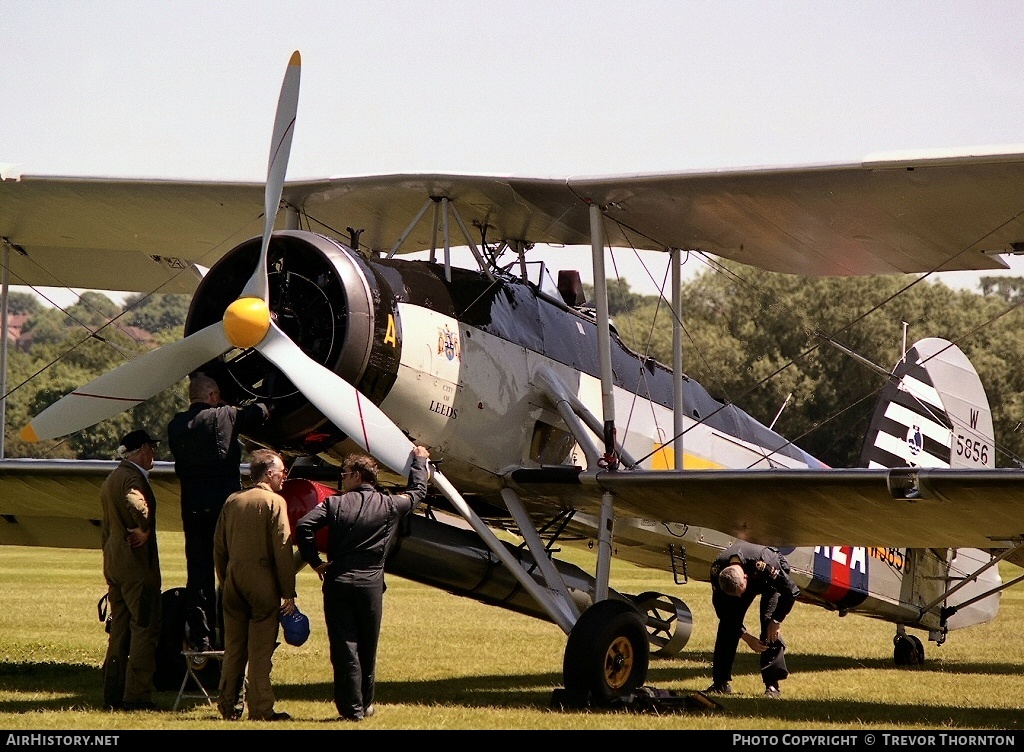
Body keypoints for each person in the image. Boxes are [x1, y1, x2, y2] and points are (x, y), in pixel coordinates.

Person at [295, 445, 430, 721]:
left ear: (357, 476)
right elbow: (418, 492)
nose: (343, 478)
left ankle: (351, 710)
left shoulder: (334, 503)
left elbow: (304, 526)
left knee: (345, 647)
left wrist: (314, 561)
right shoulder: (391, 505)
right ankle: (366, 704)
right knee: (368, 646)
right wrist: (420, 461)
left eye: (345, 474)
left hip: (339, 582)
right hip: (371, 585)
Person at [167, 372, 270, 652]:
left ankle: (200, 638)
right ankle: (235, 630)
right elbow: (259, 412)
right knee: (234, 567)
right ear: (213, 397)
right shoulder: (223, 415)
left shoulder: (174, 425)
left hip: (192, 507)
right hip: (224, 507)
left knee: (198, 569)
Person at [213, 448, 297, 722]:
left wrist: (226, 579)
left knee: (234, 646)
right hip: (261, 579)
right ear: (269, 473)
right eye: (283, 472)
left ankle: (227, 705)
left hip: (232, 578)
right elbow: (283, 548)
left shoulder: (232, 501)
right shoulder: (274, 502)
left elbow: (218, 547)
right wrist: (288, 591)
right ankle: (260, 708)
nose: (285, 477)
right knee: (260, 649)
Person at [99, 429, 163, 711]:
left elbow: (106, 526)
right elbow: (138, 505)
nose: (154, 454)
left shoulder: (111, 477)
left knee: (119, 632)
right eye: (151, 447)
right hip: (137, 567)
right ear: (141, 449)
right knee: (144, 628)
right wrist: (144, 529)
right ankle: (136, 696)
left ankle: (112, 692)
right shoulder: (133, 478)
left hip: (115, 564)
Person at [705, 541, 801, 699]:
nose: (740, 597)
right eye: (737, 595)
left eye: (741, 592)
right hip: (744, 580)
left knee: (768, 624)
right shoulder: (717, 571)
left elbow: (791, 592)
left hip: (769, 582)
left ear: (745, 577)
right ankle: (720, 683)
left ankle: (772, 685)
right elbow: (723, 611)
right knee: (727, 625)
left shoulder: (765, 562)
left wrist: (777, 620)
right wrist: (745, 636)